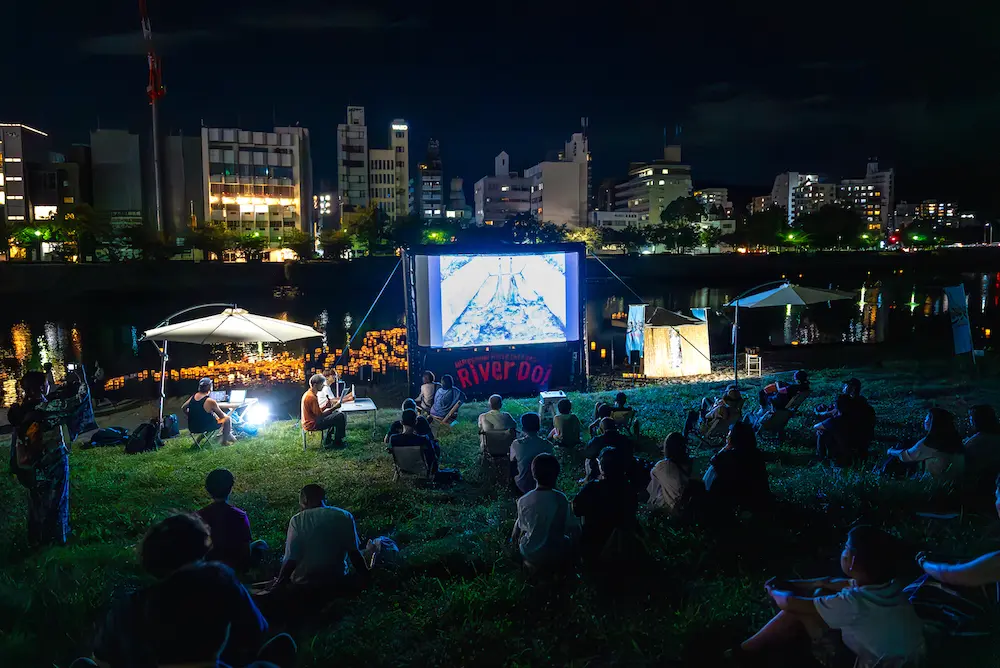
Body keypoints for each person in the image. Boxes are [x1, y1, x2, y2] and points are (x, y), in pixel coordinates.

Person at [92, 514, 292, 668]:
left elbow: (102, 660)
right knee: (280, 648)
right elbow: (257, 629)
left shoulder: (128, 607)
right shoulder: (220, 584)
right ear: (200, 549)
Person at [730, 525, 925, 668]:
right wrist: (790, 584)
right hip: (909, 660)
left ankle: (740, 654)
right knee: (818, 595)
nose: (842, 551)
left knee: (797, 611)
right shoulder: (890, 587)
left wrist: (773, 591)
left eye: (845, 547)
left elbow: (789, 603)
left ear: (853, 559)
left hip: (873, 663)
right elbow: (828, 582)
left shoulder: (853, 603)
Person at [259, 484, 370, 617]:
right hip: (336, 580)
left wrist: (279, 584)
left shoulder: (297, 520)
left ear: (304, 500)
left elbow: (291, 560)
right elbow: (354, 554)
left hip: (304, 585)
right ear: (324, 498)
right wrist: (367, 577)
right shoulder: (344, 515)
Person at [7, 370, 83, 546]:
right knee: (57, 500)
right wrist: (79, 382)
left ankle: (35, 539)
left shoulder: (20, 410)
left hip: (31, 466)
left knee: (36, 503)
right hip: (52, 463)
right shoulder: (47, 409)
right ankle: (56, 538)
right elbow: (77, 404)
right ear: (41, 387)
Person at [511, 453, 580, 572]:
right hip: (556, 554)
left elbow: (522, 527)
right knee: (567, 539)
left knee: (519, 523)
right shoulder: (561, 498)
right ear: (556, 475)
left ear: (533, 474)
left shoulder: (523, 500)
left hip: (531, 554)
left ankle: (517, 556)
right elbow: (574, 528)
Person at [572, 447, 639, 561]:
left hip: (594, 545)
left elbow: (576, 509)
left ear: (601, 466)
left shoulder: (593, 487)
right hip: (621, 547)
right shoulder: (629, 488)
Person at [196, 468, 268, 574]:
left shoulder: (199, 516)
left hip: (208, 567)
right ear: (230, 488)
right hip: (234, 567)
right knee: (261, 544)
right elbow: (245, 550)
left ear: (207, 489)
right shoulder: (239, 516)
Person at [704, 421, 770, 514]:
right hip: (757, 496)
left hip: (736, 496)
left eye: (729, 433)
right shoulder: (756, 454)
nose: (727, 435)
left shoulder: (729, 456)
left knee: (712, 470)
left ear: (733, 437)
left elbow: (714, 461)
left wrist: (726, 447)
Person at [886, 407, 965, 481]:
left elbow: (906, 456)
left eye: (926, 418)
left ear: (931, 422)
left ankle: (884, 477)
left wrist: (891, 451)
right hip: (956, 483)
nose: (924, 420)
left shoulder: (931, 442)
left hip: (936, 485)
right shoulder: (956, 441)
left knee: (899, 454)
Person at [647, 432, 694, 516]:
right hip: (684, 509)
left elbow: (653, 491)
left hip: (668, 510)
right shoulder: (689, 464)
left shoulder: (661, 467)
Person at [300, 373, 351, 448]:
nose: (323, 386)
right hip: (312, 424)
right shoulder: (311, 397)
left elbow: (316, 412)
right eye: (321, 384)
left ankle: (329, 439)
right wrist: (334, 407)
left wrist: (325, 407)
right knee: (340, 416)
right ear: (315, 385)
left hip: (312, 421)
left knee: (335, 414)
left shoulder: (309, 394)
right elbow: (320, 416)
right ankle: (338, 442)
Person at [182, 378, 236, 445]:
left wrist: (190, 416)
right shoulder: (210, 401)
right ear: (210, 387)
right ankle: (224, 442)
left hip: (193, 427)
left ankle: (198, 441)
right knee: (227, 419)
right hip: (207, 426)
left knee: (212, 416)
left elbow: (183, 408)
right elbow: (222, 417)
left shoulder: (193, 397)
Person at [509, 412, 553, 494]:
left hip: (522, 485)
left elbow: (512, 461)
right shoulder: (548, 445)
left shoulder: (516, 444)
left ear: (523, 427)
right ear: (538, 426)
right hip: (545, 485)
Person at [814, 394, 862, 467]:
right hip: (855, 451)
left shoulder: (834, 421)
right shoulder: (855, 418)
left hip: (841, 453)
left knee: (822, 432)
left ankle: (822, 459)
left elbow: (816, 426)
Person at [388, 409, 440, 474]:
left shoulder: (393, 438)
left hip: (403, 469)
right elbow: (432, 457)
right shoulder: (423, 439)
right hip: (422, 469)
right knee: (436, 445)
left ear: (401, 422)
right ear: (416, 422)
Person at [963, 405, 1000, 492]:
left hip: (980, 487)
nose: (970, 421)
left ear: (977, 420)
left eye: (971, 418)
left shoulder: (974, 442)